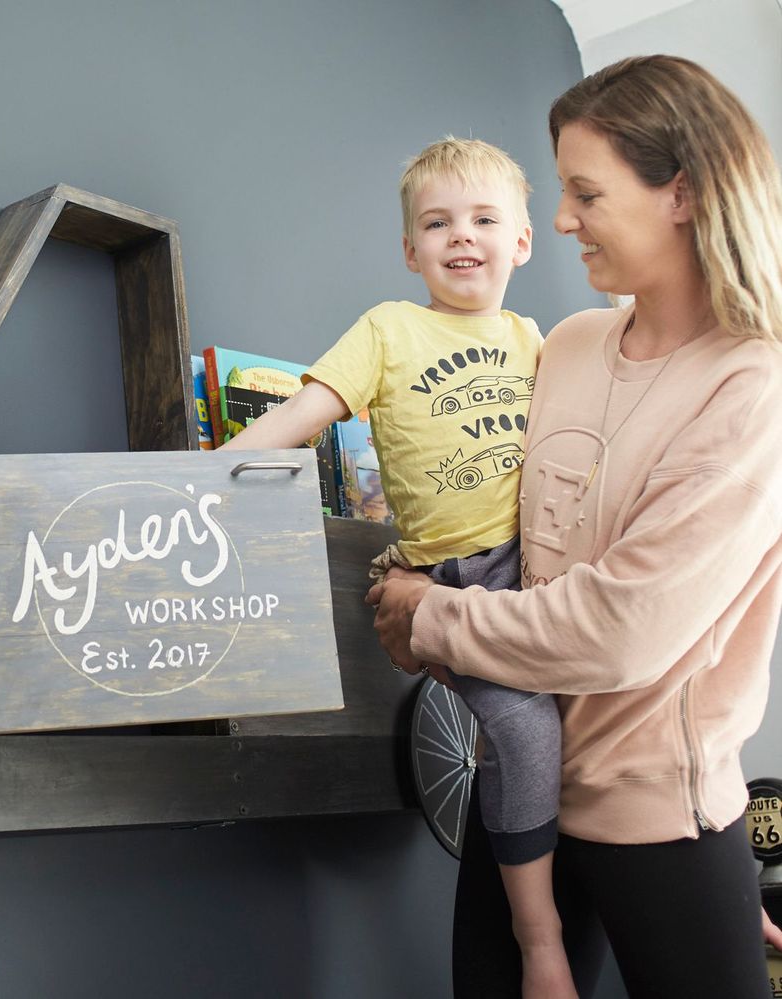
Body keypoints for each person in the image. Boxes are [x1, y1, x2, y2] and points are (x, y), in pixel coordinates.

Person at [367, 56, 782, 998]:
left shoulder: (754, 385)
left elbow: (622, 629)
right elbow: (500, 544)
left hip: (663, 825)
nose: (558, 221)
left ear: (680, 193)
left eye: (584, 193)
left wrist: (425, 617)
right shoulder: (568, 346)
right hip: (522, 796)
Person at [223, 137, 578, 998]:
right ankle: (542, 943)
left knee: (568, 740)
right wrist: (195, 476)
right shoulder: (389, 328)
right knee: (524, 729)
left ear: (523, 242)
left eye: (485, 218)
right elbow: (304, 414)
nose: (463, 235)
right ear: (410, 249)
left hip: (538, 575)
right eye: (438, 221)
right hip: (450, 584)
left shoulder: (537, 339)